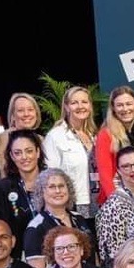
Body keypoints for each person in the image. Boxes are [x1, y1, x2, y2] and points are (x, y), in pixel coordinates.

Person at [23, 168, 93, 268]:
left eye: (61, 186)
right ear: (41, 192)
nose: (58, 191)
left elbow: (92, 256)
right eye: (52, 187)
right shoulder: (36, 228)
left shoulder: (79, 219)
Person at [42, 86, 98, 217]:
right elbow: (50, 176)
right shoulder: (55, 136)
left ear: (90, 106)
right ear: (66, 107)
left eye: (84, 102)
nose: (80, 106)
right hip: (72, 203)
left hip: (97, 202)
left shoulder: (93, 135)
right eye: (74, 103)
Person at [0, 130, 45, 259]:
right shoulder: (5, 187)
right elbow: (3, 225)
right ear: (11, 156)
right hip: (21, 255)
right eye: (18, 153)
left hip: (54, 251)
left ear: (38, 152)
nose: (24, 157)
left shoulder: (52, 180)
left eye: (29, 151)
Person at [95, 86, 134, 206]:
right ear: (113, 108)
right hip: (118, 199)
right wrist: (119, 204)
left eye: (129, 104)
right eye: (120, 105)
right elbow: (105, 177)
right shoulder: (105, 135)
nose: (125, 109)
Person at [0, 93, 42, 173]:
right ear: (13, 116)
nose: (26, 114)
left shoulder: (41, 139)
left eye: (30, 110)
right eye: (20, 110)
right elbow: (3, 172)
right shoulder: (5, 138)